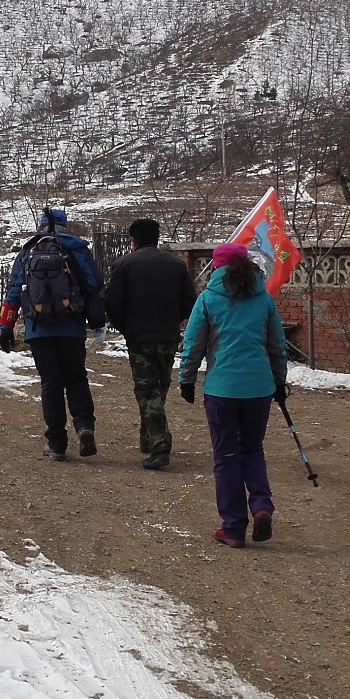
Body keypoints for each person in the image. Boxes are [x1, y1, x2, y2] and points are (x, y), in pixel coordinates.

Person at [178, 241, 288, 548]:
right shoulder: (263, 298)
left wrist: (186, 380)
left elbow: (193, 345)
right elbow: (277, 346)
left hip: (221, 389)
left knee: (226, 457)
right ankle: (262, 506)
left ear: (216, 267)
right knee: (252, 449)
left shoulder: (208, 299)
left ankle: (233, 527)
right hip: (259, 390)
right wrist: (279, 383)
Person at [0, 208, 106, 461]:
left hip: (39, 329)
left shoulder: (29, 250)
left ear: (41, 225)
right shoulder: (77, 248)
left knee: (51, 383)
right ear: (65, 224)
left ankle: (56, 443)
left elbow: (13, 291)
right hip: (71, 326)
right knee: (76, 378)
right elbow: (94, 284)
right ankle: (84, 426)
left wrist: (6, 327)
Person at [101, 218, 196, 470]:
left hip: (139, 337)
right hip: (167, 336)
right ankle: (149, 436)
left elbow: (112, 302)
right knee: (159, 387)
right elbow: (190, 302)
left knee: (146, 390)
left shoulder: (124, 265)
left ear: (134, 240)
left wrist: (125, 327)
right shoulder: (176, 265)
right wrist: (174, 321)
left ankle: (159, 445)